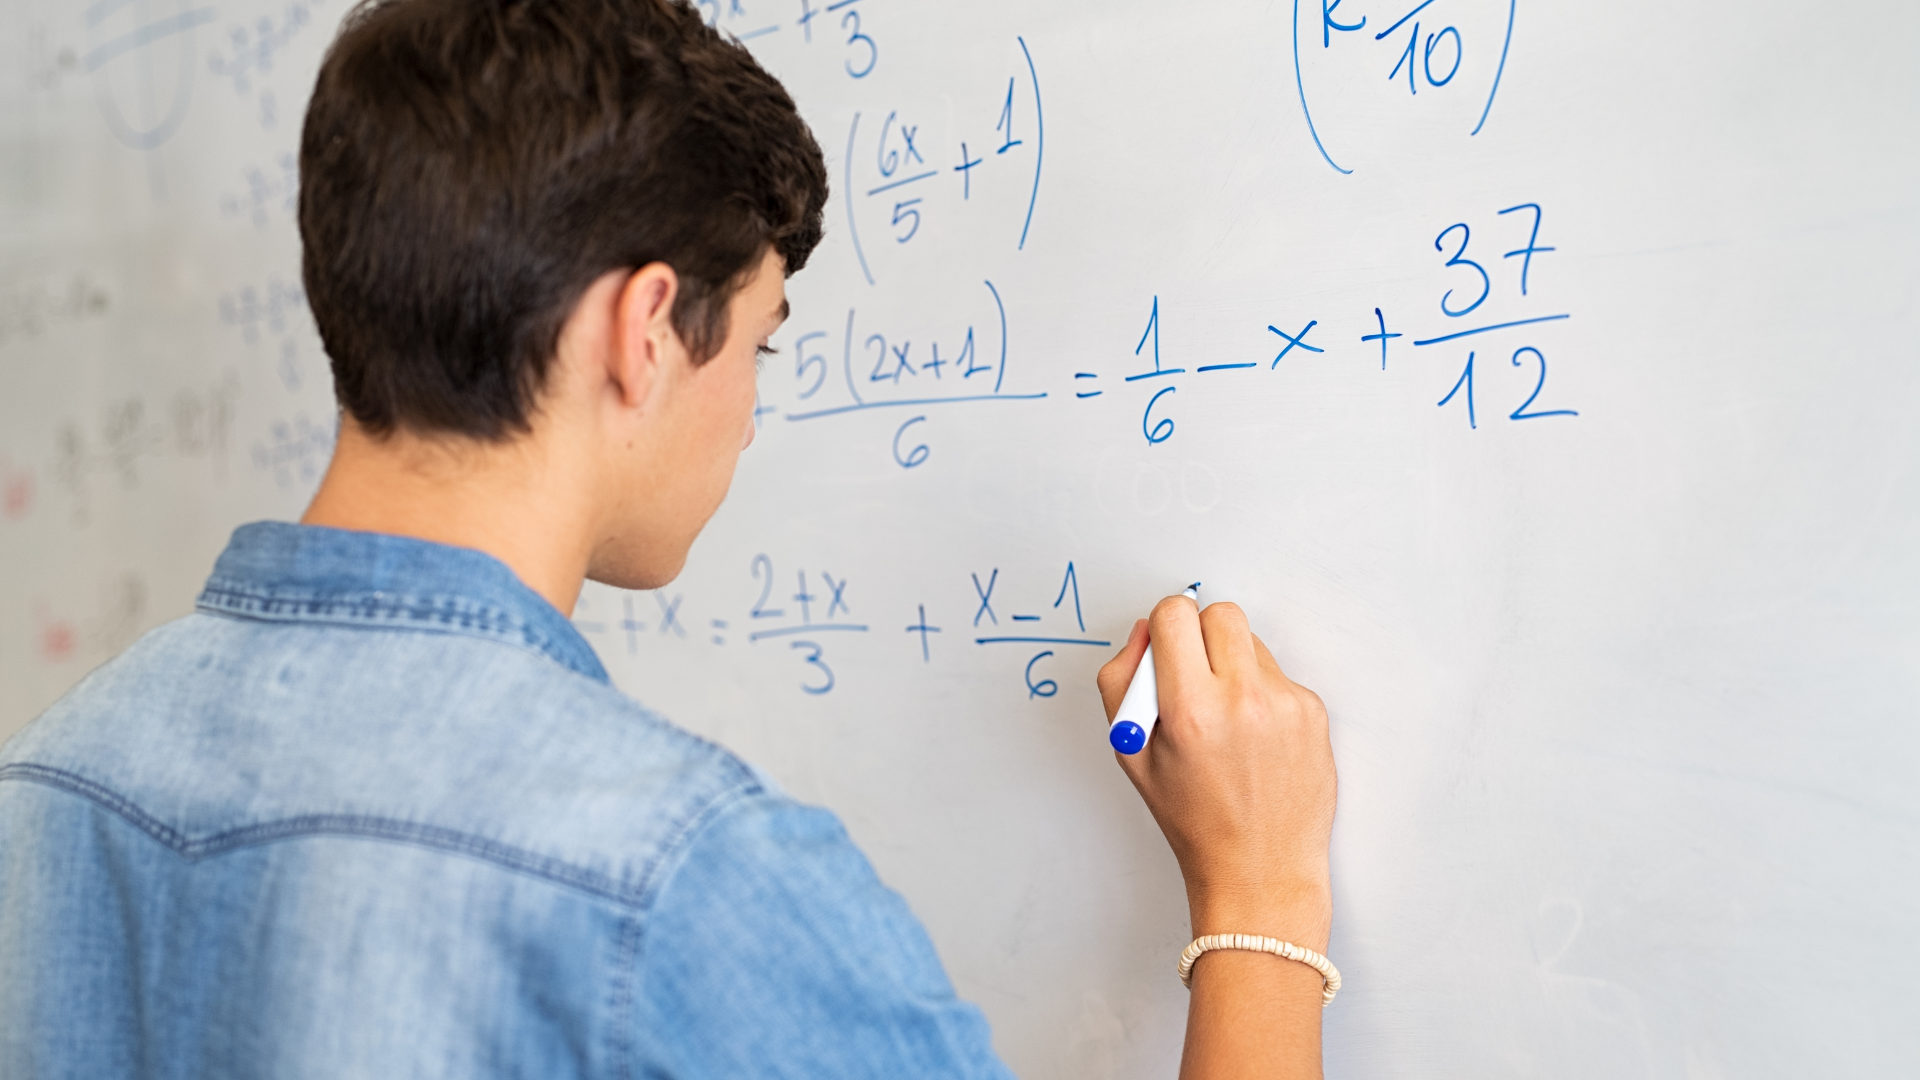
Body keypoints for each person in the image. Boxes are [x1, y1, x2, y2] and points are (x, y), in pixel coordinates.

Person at [0, 0, 1339, 1076]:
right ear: (644, 332)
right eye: (758, 343)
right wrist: (1263, 904)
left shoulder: (48, 786)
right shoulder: (681, 876)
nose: (750, 419)